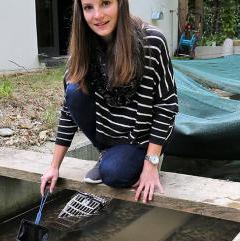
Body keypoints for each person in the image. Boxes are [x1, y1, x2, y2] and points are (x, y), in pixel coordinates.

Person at [40, 0, 178, 203]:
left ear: (120, 4)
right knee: (74, 91)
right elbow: (69, 111)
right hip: (109, 133)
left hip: (144, 138)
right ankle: (107, 153)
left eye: (105, 3)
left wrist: (151, 163)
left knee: (114, 174)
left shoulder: (152, 42)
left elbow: (167, 105)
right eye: (89, 7)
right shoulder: (82, 48)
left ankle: (120, 158)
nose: (97, 15)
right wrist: (54, 166)